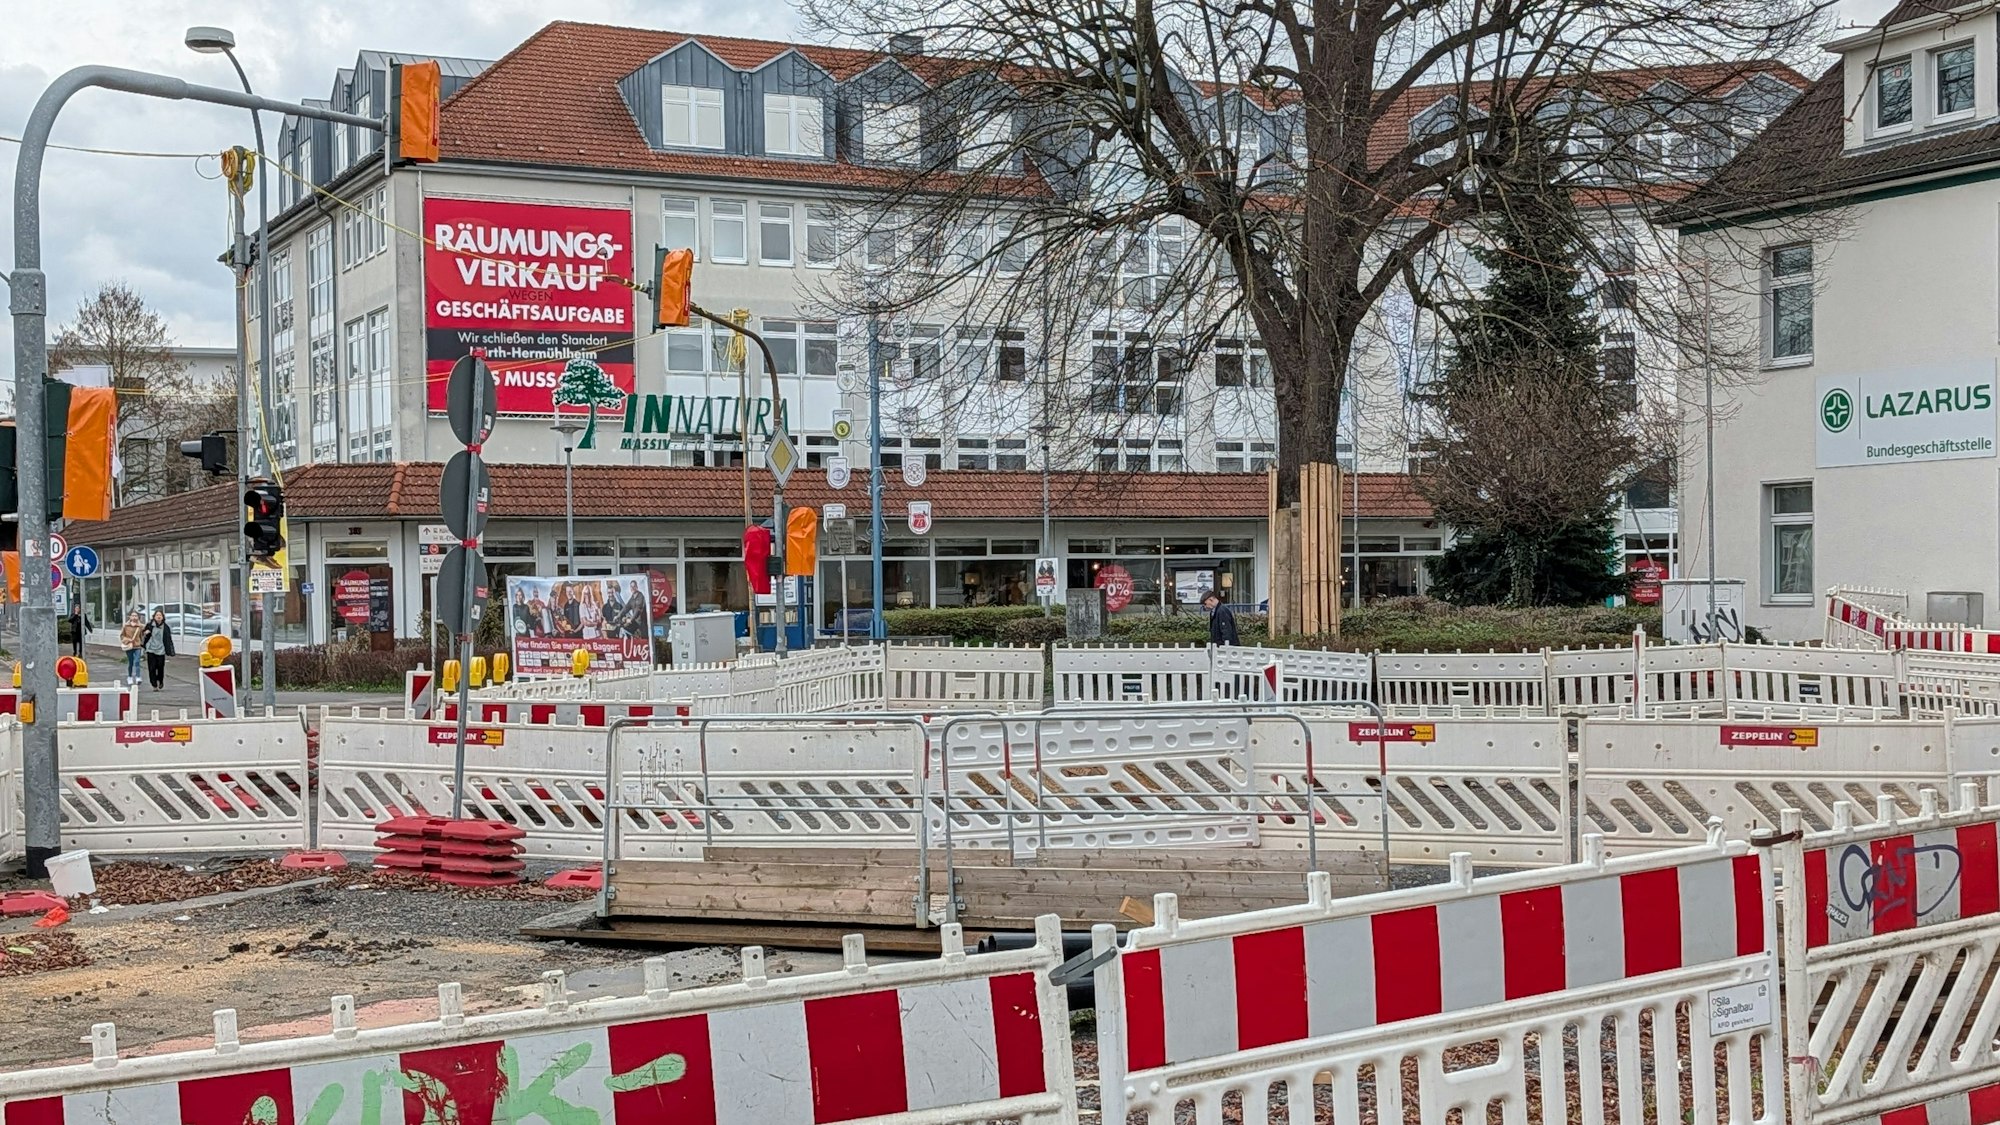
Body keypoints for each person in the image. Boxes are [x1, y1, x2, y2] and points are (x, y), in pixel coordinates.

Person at [140, 608, 175, 690]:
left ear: (163, 617)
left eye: (160, 615)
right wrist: (145, 633)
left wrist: (170, 650)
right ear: (154, 617)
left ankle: (160, 681)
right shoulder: (150, 625)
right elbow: (143, 634)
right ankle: (154, 684)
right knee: (151, 668)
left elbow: (168, 639)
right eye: (157, 615)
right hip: (151, 649)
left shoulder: (166, 627)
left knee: (160, 667)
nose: (158, 617)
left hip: (161, 649)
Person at [118, 611, 145, 685]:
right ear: (130, 617)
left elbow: (143, 634)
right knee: (131, 662)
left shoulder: (140, 626)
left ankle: (138, 677)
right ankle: (129, 676)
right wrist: (128, 640)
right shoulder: (126, 626)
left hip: (137, 646)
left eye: (136, 616)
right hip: (129, 646)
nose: (134, 617)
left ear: (138, 617)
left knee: (137, 661)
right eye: (132, 616)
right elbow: (122, 636)